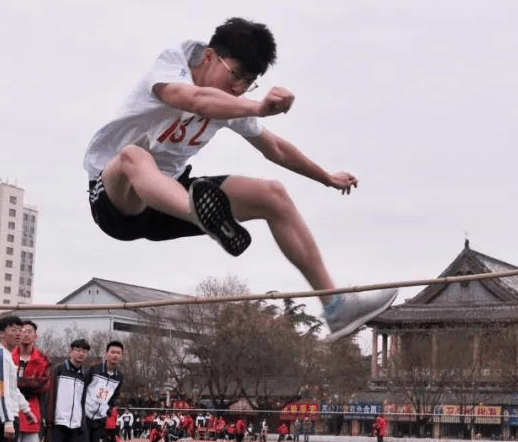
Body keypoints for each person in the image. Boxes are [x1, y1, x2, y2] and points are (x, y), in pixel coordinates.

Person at [82, 17, 397, 341]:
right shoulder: (174, 62)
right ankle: (203, 213)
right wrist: (257, 106)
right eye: (235, 76)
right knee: (134, 156)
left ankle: (335, 306)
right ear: (208, 56)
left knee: (273, 195)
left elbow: (274, 147)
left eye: (248, 83)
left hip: (169, 196)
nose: (238, 88)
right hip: (116, 198)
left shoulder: (234, 103)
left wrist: (326, 177)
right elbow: (192, 99)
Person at [35, 339, 90, 442]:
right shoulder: (58, 370)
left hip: (73, 422)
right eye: (78, 350)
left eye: (84, 351)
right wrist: (47, 418)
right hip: (57, 420)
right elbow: (48, 395)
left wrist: (80, 421)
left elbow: (82, 400)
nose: (81, 354)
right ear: (70, 351)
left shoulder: (84, 375)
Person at [67, 341, 124, 442]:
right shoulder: (94, 370)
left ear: (121, 356)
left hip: (100, 418)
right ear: (106, 353)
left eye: (118, 353)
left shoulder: (119, 376)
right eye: (112, 352)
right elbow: (82, 388)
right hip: (84, 415)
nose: (115, 355)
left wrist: (108, 409)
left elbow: (115, 396)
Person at [9, 320, 50, 442]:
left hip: (32, 409)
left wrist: (20, 383)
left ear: (35, 335)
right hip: (11, 408)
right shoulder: (9, 355)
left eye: (29, 331)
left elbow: (42, 384)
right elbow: (8, 383)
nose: (25, 334)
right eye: (22, 331)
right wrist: (26, 382)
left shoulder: (42, 359)